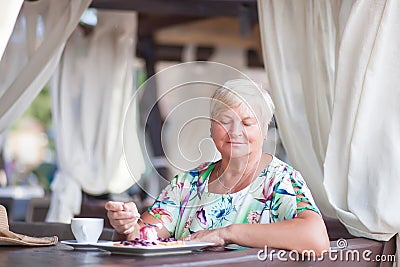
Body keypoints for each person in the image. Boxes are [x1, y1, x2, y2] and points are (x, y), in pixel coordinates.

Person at [106, 79, 329, 254]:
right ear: (211, 128)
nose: (235, 131)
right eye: (224, 120)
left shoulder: (280, 180)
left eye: (247, 122)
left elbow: (316, 238)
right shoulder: (189, 183)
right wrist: (126, 226)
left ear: (263, 129)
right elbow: (146, 236)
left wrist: (227, 233)